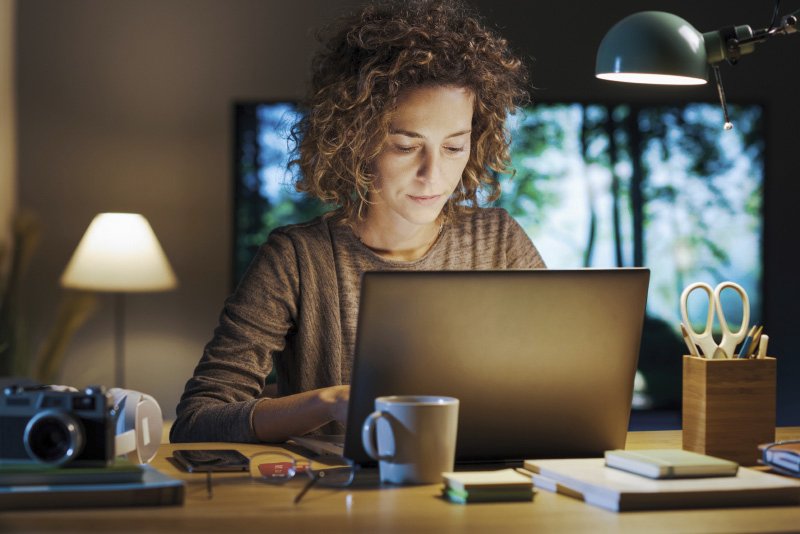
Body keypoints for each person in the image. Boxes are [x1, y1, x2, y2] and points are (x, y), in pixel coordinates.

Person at [170, 0, 545, 444]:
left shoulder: (499, 240)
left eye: (453, 147)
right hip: (341, 502)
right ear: (354, 140)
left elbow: (559, 379)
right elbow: (198, 420)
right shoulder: (297, 259)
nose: (434, 175)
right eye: (406, 147)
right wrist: (327, 403)